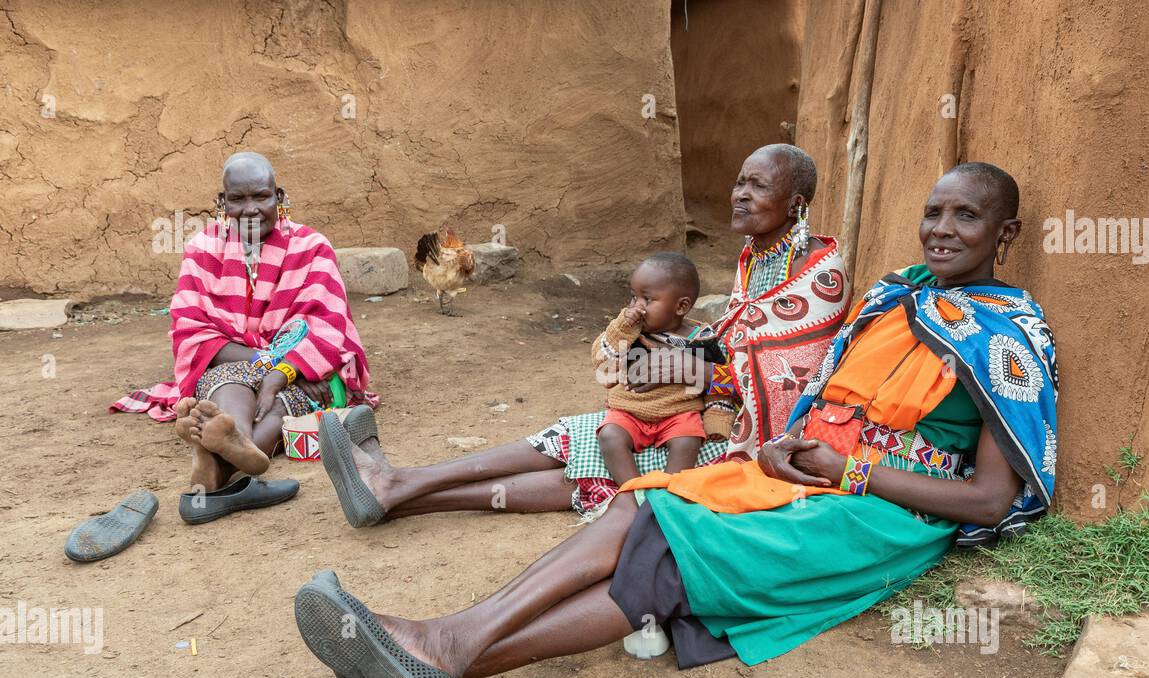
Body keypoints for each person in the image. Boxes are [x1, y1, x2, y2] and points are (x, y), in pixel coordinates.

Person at [294, 162, 1060, 678]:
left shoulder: (1008, 341)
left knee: (666, 546)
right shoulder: (899, 296)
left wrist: (849, 467)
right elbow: (810, 388)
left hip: (882, 512)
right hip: (807, 473)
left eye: (966, 216)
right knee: (645, 501)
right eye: (934, 213)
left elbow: (990, 500)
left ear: (1007, 233)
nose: (941, 229)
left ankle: (444, 644)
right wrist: (791, 443)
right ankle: (436, 654)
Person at [318, 143, 851, 527]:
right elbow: (724, 346)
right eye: (740, 181)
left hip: (747, 442)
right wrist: (662, 364)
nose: (739, 194)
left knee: (591, 459)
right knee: (577, 432)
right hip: (695, 402)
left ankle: (400, 491)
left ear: (797, 203)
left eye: (758, 186)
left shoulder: (822, 273)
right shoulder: (757, 255)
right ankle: (400, 485)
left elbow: (764, 374)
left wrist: (663, 367)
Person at [111, 152, 377, 490]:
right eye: (237, 199)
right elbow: (193, 334)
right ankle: (234, 451)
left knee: (290, 399)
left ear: (279, 198)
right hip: (248, 365)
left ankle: (218, 459)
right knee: (227, 381)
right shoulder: (203, 248)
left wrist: (282, 375)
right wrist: (273, 367)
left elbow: (328, 328)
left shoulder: (312, 247)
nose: (250, 209)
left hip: (308, 368)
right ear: (222, 203)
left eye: (261, 196)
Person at [594, 252, 729, 485]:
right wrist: (622, 327)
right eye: (633, 297)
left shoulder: (702, 339)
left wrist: (717, 419)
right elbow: (602, 363)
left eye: (647, 299)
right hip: (629, 412)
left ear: (681, 306)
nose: (637, 307)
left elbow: (717, 384)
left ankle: (670, 490)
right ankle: (633, 489)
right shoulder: (629, 332)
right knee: (609, 435)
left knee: (689, 440)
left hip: (679, 414)